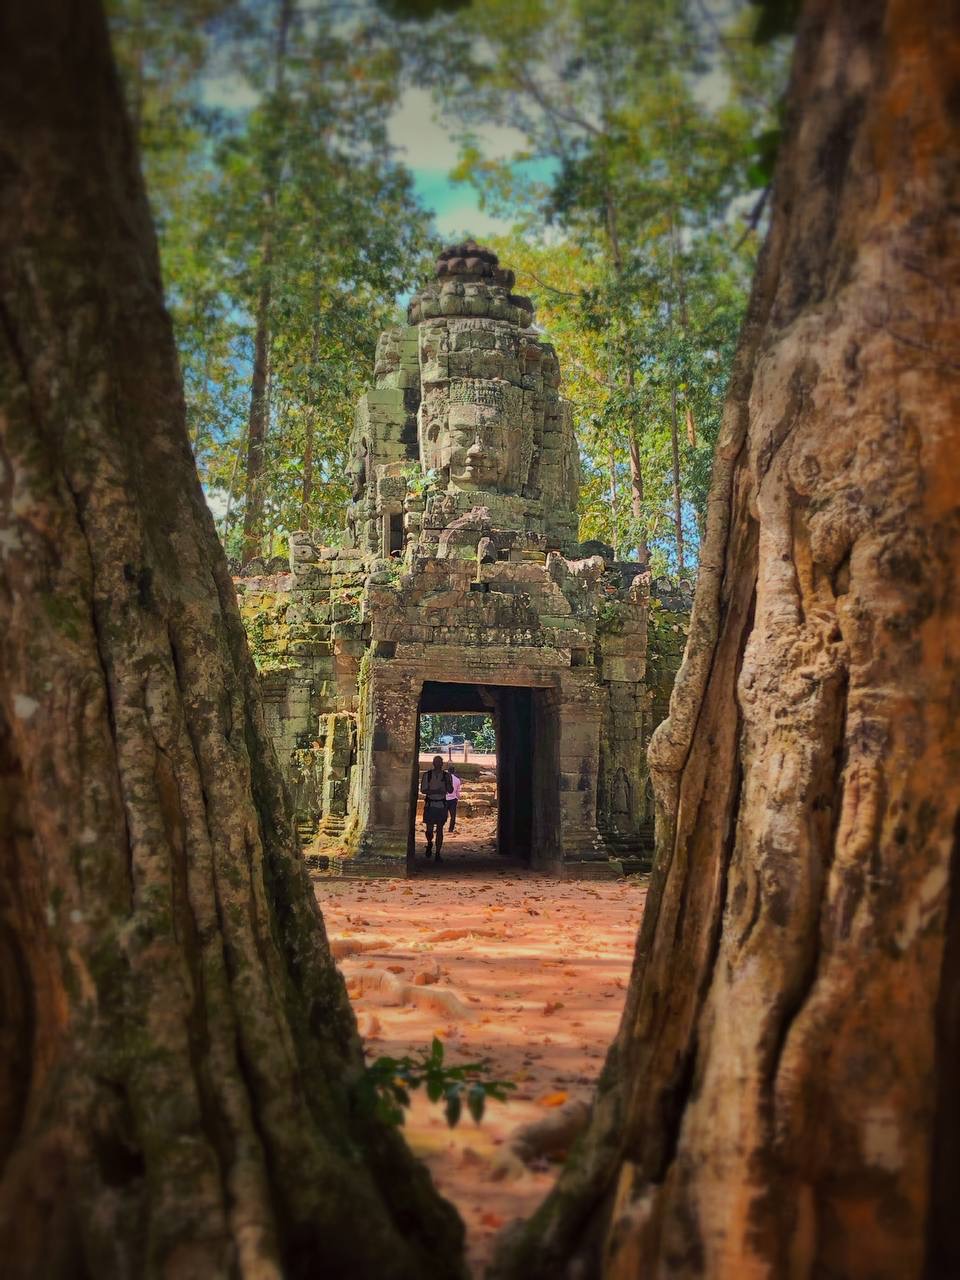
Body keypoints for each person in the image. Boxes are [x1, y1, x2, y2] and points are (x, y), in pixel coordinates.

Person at [420, 755, 452, 860]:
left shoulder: (447, 776)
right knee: (429, 829)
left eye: (440, 762)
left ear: (442, 764)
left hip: (441, 805)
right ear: (433, 763)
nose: (438, 764)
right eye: (436, 762)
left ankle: (438, 852)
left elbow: (450, 790)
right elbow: (423, 790)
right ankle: (429, 843)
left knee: (440, 829)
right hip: (431, 804)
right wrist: (435, 791)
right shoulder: (427, 775)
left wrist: (447, 782)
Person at [446, 764, 462, 833]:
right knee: (453, 816)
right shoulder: (457, 780)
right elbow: (457, 792)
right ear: (454, 771)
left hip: (444, 799)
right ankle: (451, 829)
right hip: (453, 800)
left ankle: (439, 827)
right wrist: (459, 797)